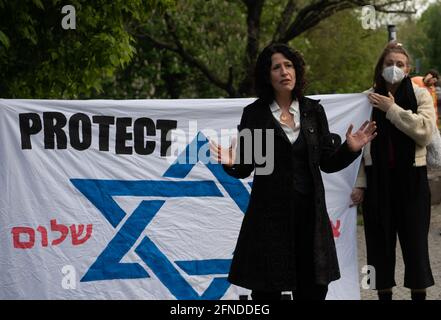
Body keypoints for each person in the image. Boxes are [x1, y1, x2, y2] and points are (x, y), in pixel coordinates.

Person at [210, 43, 377, 300]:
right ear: (268, 75)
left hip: (310, 218)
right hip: (269, 220)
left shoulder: (313, 111)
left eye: (288, 65)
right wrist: (232, 162)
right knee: (267, 292)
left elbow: (327, 162)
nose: (284, 71)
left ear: (297, 71)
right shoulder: (255, 115)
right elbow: (245, 168)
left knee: (313, 289)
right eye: (276, 67)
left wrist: (350, 148)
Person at [351, 42, 436, 300]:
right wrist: (360, 183)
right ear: (380, 67)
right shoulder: (367, 98)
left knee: (416, 247)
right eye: (389, 64)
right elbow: (360, 145)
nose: (394, 68)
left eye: (400, 64)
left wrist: (392, 110)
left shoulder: (421, 95)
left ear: (408, 69)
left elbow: (425, 132)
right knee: (377, 249)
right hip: (378, 181)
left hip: (412, 180)